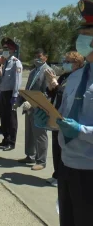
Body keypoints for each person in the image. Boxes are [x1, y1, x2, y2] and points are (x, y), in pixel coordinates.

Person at [34, 0, 93, 225]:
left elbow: (77, 126)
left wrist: (81, 130)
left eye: (88, 33)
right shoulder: (76, 77)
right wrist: (48, 121)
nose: (82, 39)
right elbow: (63, 117)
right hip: (67, 167)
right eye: (82, 33)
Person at [44, 51, 84, 187]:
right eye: (65, 61)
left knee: (62, 149)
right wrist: (51, 86)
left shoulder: (79, 77)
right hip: (57, 114)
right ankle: (56, 174)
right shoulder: (65, 76)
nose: (65, 64)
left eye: (68, 61)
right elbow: (55, 92)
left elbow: (65, 93)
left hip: (67, 118)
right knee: (56, 147)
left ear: (77, 63)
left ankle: (61, 177)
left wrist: (56, 85)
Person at [14, 48, 53, 171]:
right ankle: (30, 156)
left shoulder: (48, 71)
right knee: (30, 133)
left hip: (40, 109)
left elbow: (48, 93)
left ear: (45, 57)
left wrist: (33, 103)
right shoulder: (33, 72)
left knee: (40, 135)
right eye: (35, 55)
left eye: (40, 55)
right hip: (29, 107)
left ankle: (41, 161)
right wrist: (19, 102)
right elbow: (28, 89)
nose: (37, 57)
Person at [0, 37, 23, 151]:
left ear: (12, 49)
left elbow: (17, 81)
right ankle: (5, 139)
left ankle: (11, 142)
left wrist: (15, 96)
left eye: (6, 48)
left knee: (11, 119)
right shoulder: (6, 62)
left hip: (11, 94)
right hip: (3, 93)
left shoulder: (16, 63)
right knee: (4, 117)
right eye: (3, 48)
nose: (4, 50)